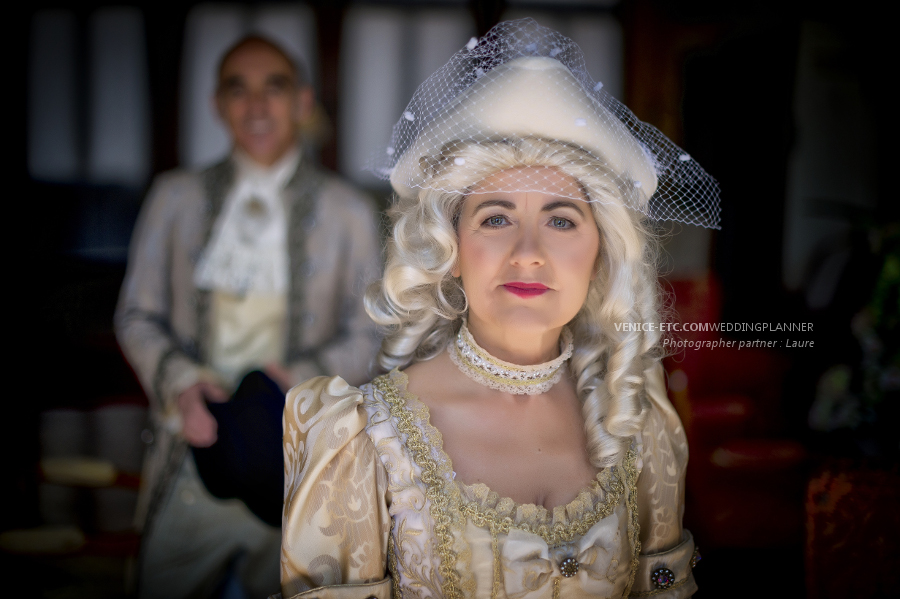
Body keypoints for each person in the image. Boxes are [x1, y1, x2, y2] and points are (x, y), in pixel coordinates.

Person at [278, 19, 719, 598]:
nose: (529, 254)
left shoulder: (638, 422)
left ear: (601, 253)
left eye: (561, 220)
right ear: (450, 250)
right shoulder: (361, 436)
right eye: (496, 218)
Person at [115, 35, 381, 598]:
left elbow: (372, 330)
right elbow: (137, 314)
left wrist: (298, 382)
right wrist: (183, 387)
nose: (257, 107)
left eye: (275, 88)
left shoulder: (349, 211)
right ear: (218, 105)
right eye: (239, 90)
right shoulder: (174, 198)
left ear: (304, 102)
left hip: (300, 463)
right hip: (192, 451)